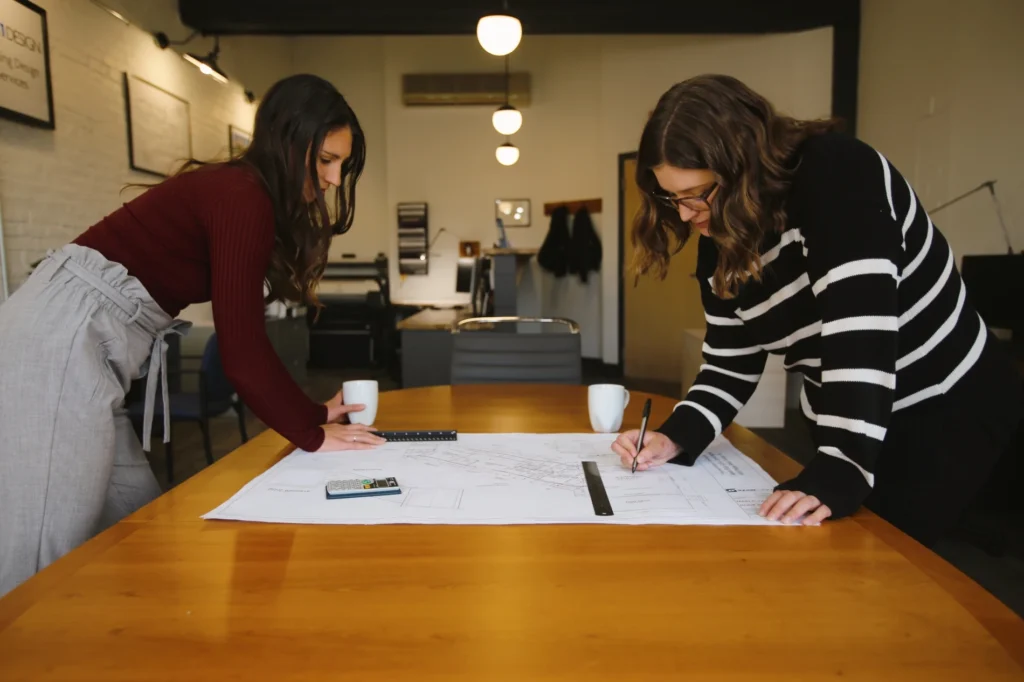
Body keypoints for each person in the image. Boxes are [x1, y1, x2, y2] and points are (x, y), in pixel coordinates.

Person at [0, 74, 386, 597]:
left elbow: (246, 344)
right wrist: (313, 434)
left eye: (342, 163)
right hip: (60, 342)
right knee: (43, 556)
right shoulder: (242, 195)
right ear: (287, 142)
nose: (335, 179)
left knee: (135, 530)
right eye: (325, 160)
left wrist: (316, 414)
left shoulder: (243, 194)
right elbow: (243, 351)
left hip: (84, 344)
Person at [612, 74, 1022, 546]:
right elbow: (729, 363)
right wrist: (676, 437)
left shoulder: (839, 174)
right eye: (672, 197)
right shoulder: (721, 237)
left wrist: (842, 465)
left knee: (904, 569)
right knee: (841, 551)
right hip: (850, 415)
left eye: (698, 193)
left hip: (944, 406)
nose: (685, 214)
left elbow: (860, 333)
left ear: (742, 163)